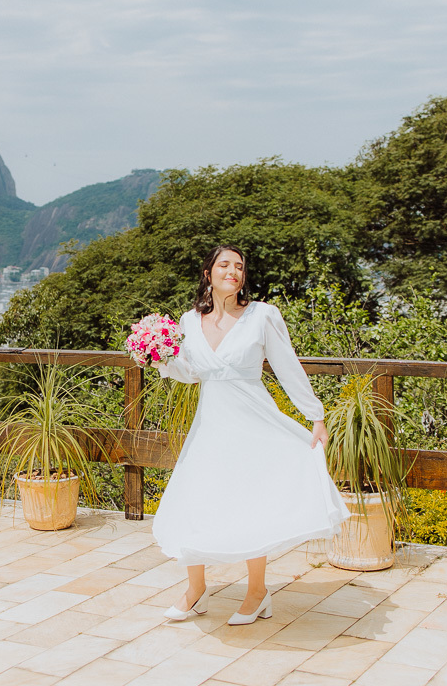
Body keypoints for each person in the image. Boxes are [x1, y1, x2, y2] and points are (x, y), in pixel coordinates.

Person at [151, 245, 349, 625]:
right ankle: (196, 591)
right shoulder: (189, 321)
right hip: (212, 422)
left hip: (254, 420)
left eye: (239, 266)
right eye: (224, 264)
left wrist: (316, 414)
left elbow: (287, 366)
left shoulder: (262, 316)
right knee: (198, 498)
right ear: (208, 272)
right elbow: (192, 372)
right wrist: (159, 358)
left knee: (251, 500)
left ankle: (257, 593)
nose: (233, 271)